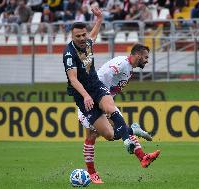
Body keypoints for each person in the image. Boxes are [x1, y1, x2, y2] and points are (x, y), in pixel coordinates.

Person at [62, 7, 137, 162]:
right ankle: (130, 130)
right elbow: (73, 79)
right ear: (72, 36)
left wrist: (99, 19)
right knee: (109, 135)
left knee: (110, 107)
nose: (82, 38)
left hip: (96, 85)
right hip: (82, 95)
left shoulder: (87, 42)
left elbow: (94, 34)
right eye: (78, 36)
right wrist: (86, 96)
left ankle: (127, 141)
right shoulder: (69, 54)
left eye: (84, 34)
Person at [79, 44, 161, 184]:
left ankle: (143, 157)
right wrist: (104, 97)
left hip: (103, 102)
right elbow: (105, 75)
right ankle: (92, 173)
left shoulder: (129, 69)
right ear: (138, 55)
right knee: (93, 136)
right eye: (146, 57)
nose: (147, 60)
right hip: (90, 101)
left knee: (118, 130)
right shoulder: (121, 63)